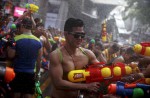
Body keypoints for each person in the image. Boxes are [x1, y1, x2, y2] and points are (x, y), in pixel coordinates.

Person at [49, 18, 101, 98]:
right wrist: (86, 86)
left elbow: (102, 71)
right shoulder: (56, 55)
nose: (80, 38)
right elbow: (58, 83)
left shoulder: (88, 54)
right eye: (77, 35)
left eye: (82, 35)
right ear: (66, 34)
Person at [7, 18, 42, 98]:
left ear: (22, 25)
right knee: (28, 95)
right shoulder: (38, 41)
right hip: (30, 73)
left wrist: (9, 47)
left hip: (17, 72)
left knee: (16, 93)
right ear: (32, 27)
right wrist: (37, 74)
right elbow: (39, 60)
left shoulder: (16, 39)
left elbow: (11, 55)